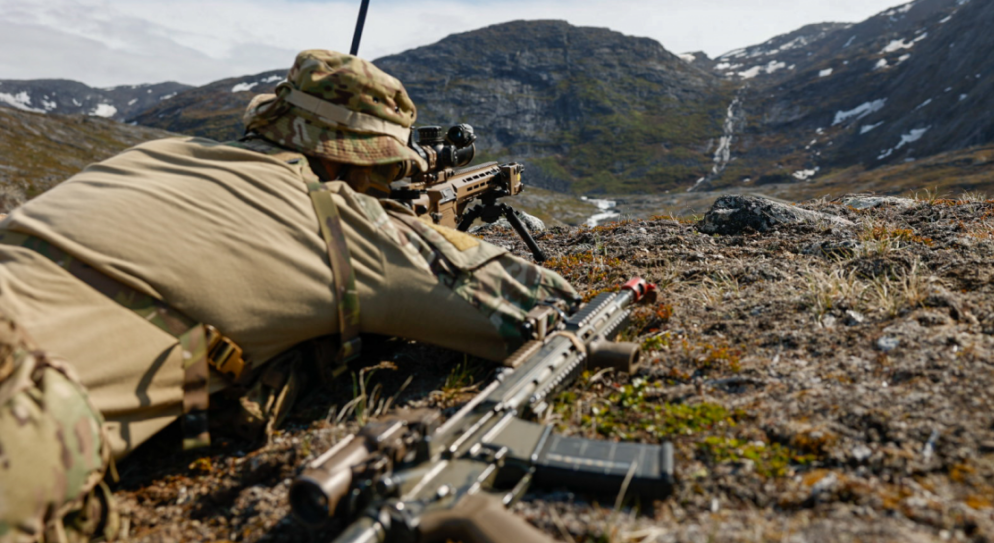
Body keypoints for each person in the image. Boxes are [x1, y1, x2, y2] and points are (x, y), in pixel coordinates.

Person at [0, 50, 579, 542]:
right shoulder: (338, 220)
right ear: (353, 160)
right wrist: (420, 236)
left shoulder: (143, 157)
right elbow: (541, 304)